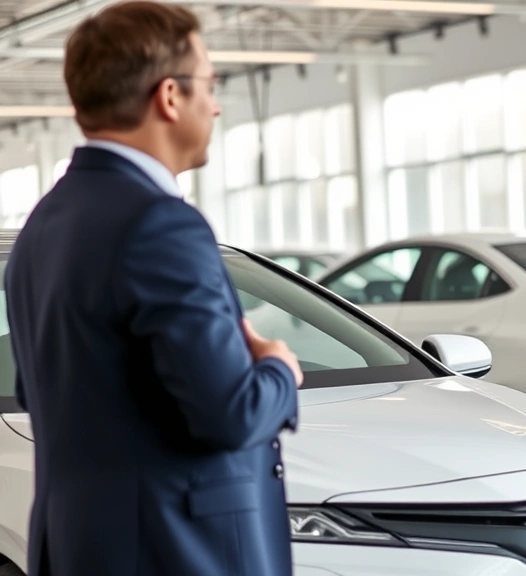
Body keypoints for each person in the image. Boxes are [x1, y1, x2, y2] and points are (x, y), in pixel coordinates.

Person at [4, 2, 304, 575]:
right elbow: (231, 414)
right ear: (170, 96)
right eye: (211, 85)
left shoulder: (42, 227)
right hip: (176, 552)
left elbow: (45, 394)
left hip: (81, 549)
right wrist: (279, 371)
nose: (215, 105)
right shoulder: (160, 225)